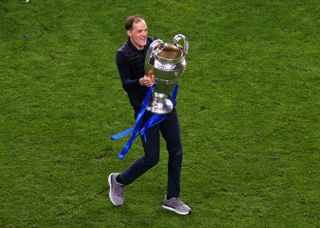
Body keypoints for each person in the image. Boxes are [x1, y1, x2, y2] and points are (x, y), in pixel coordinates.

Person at [108, 15, 191, 216]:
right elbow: (125, 84)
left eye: (145, 30)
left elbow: (166, 65)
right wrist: (140, 82)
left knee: (177, 151)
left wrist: (178, 64)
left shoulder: (154, 45)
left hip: (165, 104)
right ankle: (118, 181)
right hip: (145, 111)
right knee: (152, 157)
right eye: (139, 31)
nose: (144, 34)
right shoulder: (123, 55)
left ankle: (172, 198)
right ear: (129, 33)